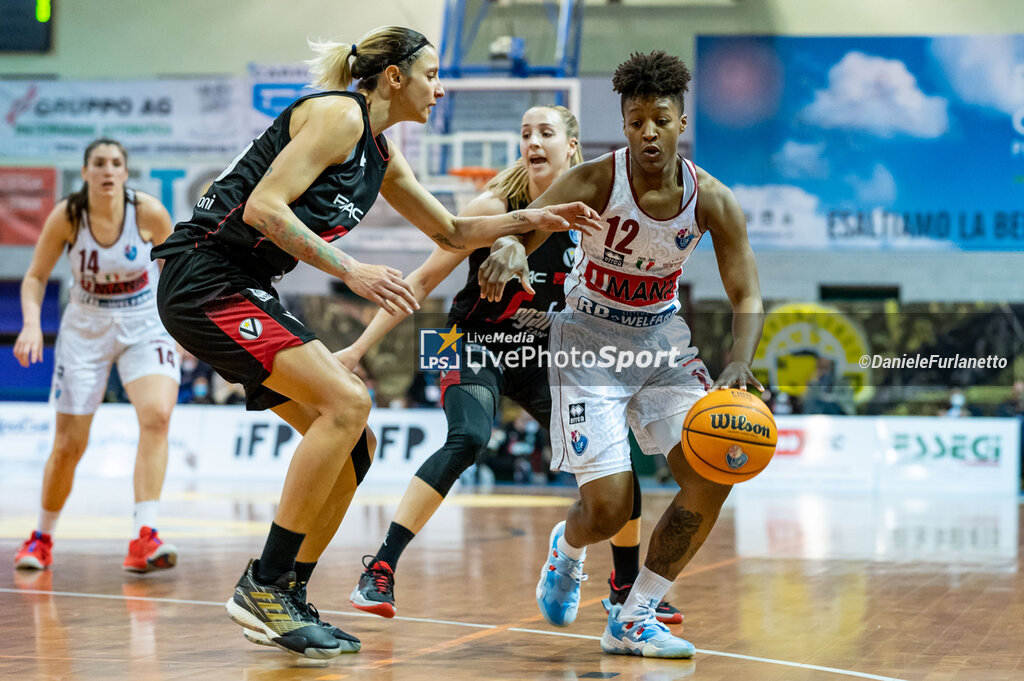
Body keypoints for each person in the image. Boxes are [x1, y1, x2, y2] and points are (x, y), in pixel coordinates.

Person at [150, 27, 598, 661]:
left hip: (242, 284)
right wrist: (352, 270)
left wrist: (533, 217)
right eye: (432, 75)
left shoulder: (381, 153)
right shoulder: (338, 115)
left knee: (356, 441)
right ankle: (265, 584)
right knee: (348, 404)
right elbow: (263, 209)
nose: (440, 89)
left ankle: (290, 595)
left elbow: (450, 229)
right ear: (395, 78)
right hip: (204, 276)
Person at [338, 105, 681, 624]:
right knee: (469, 438)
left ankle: (625, 583)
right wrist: (357, 349)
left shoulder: (595, 216)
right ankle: (380, 568)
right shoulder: (494, 203)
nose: (533, 142)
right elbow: (423, 281)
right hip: (470, 342)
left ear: (572, 146)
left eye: (545, 132)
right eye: (525, 133)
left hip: (543, 357)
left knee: (617, 459)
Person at [487, 51, 763, 658]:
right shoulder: (595, 180)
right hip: (585, 341)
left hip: (661, 343)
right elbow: (527, 226)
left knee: (715, 471)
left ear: (680, 123)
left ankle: (633, 617)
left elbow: (746, 292)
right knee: (609, 510)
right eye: (635, 120)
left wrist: (741, 359)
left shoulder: (712, 199)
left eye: (659, 119)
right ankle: (568, 544)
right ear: (624, 123)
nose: (647, 132)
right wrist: (511, 248)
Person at [13, 138, 181, 574]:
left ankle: (145, 536)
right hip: (85, 328)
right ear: (85, 172)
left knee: (158, 416)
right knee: (69, 445)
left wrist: (183, 326)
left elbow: (177, 275)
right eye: (99, 163)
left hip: (143, 322)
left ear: (126, 172)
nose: (108, 170)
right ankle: (42, 537)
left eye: (116, 163)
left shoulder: (148, 212)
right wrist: (32, 323)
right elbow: (34, 277)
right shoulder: (68, 215)